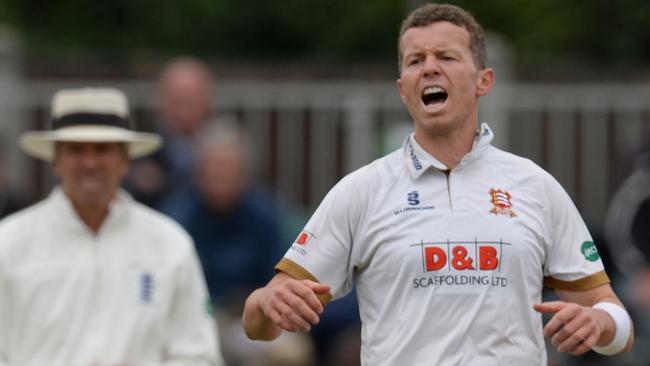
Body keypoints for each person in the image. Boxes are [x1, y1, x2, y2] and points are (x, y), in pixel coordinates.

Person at [242, 4, 634, 365]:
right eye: (416, 60)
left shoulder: (535, 186)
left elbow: (615, 318)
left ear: (484, 81)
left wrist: (602, 325)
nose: (429, 68)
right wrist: (266, 303)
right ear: (403, 89)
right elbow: (259, 321)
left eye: (446, 57)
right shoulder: (362, 190)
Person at [0, 87, 224, 366]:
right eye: (77, 150)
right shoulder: (9, 243)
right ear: (56, 161)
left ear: (126, 160)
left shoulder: (170, 243)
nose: (90, 163)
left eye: (103, 149)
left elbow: (198, 354)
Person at [160, 123, 290, 365]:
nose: (220, 176)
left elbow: (279, 277)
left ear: (244, 174)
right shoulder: (177, 217)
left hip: (256, 313)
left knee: (290, 352)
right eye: (213, 168)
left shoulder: (265, 215)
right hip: (195, 318)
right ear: (198, 172)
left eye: (228, 168)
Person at [126, 56, 215, 208]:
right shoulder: (144, 144)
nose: (184, 109)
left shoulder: (225, 145)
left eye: (190, 99)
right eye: (177, 99)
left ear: (208, 100)